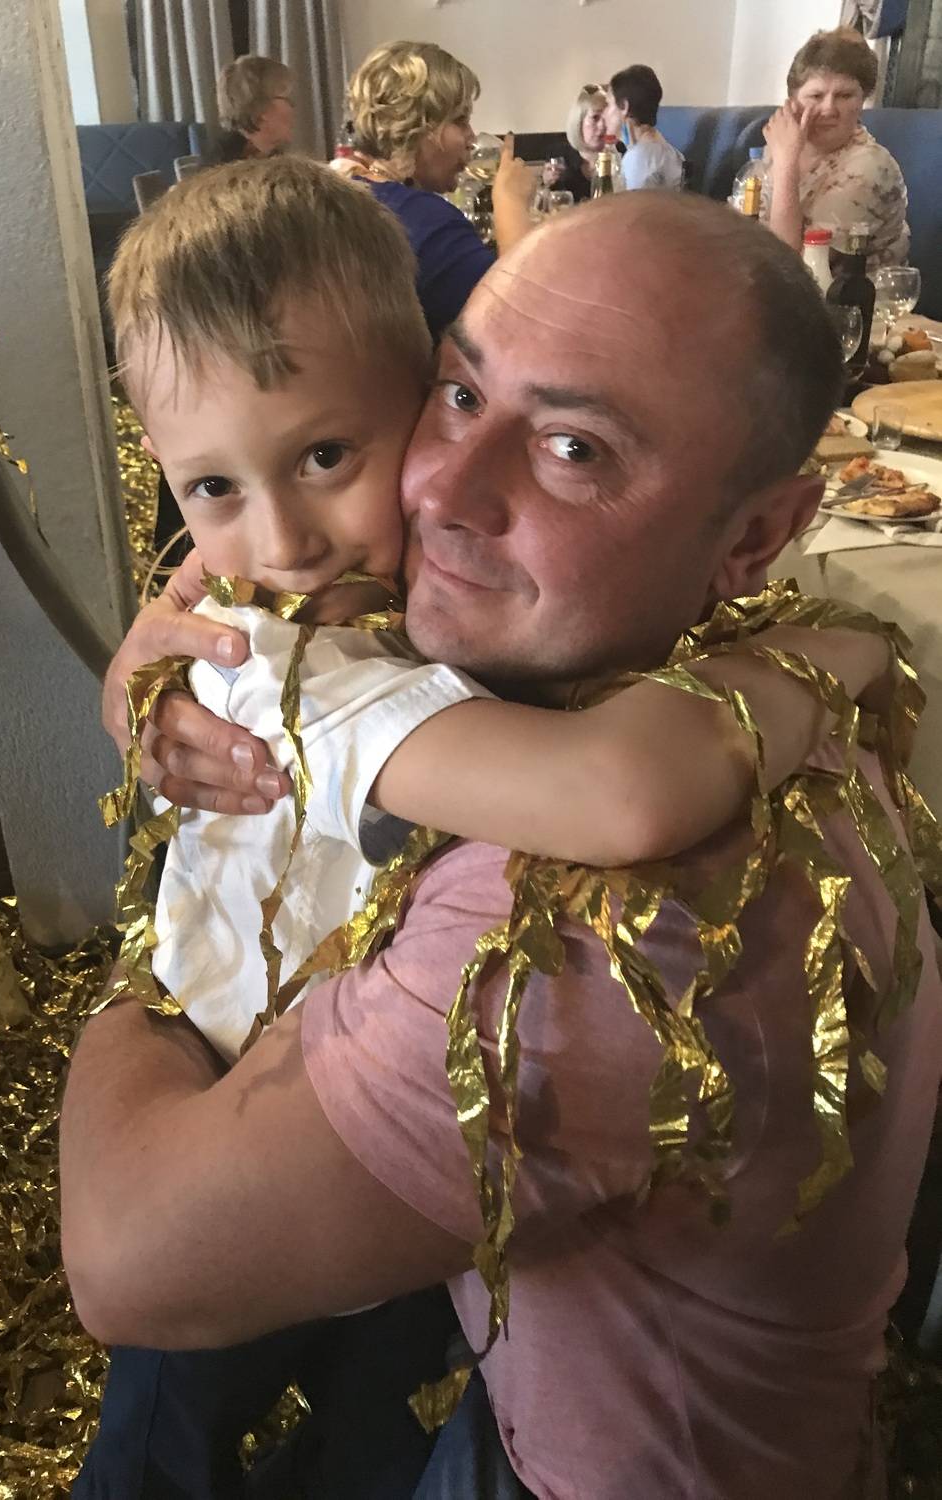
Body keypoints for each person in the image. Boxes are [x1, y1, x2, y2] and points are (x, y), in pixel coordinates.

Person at [63, 191, 942, 1498]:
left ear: (759, 534)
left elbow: (128, 1257)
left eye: (575, 448)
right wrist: (847, 647)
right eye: (463, 397)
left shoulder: (599, 929)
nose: (440, 491)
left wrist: (132, 991)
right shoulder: (701, 669)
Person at [343, 40, 536, 342]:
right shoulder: (425, 220)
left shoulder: (351, 194)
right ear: (415, 127)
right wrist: (511, 205)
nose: (471, 137)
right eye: (460, 121)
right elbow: (522, 326)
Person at [762, 26, 910, 271]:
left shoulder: (869, 167)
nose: (829, 109)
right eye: (816, 96)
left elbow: (793, 271)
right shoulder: (780, 148)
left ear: (861, 102)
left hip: (843, 294)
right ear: (792, 103)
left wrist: (786, 164)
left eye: (844, 95)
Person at [604, 64, 684, 191]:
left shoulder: (638, 159)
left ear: (624, 106)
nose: (604, 113)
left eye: (608, 104)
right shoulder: (667, 152)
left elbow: (632, 204)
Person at [206, 54, 295, 167]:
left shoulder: (271, 152)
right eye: (287, 99)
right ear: (263, 107)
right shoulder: (224, 165)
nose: (293, 107)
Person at [542, 83, 607, 201]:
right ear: (579, 121)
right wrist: (545, 184)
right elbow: (548, 203)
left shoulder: (619, 153)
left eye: (607, 118)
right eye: (595, 118)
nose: (603, 126)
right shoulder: (559, 154)